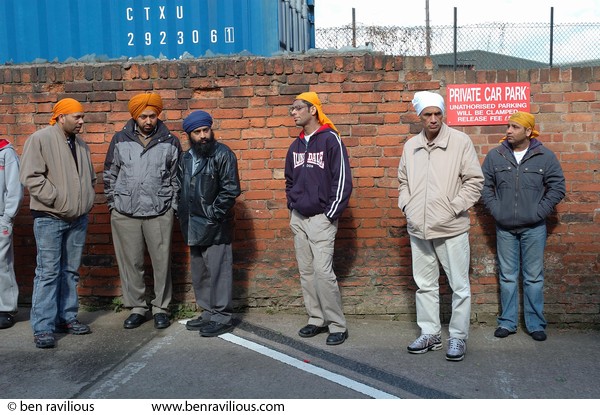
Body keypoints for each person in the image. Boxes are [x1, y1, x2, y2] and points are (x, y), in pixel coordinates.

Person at [398, 91, 484, 361]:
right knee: (424, 285)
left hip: (451, 229)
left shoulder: (460, 142)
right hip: (418, 229)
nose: (433, 119)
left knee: (459, 286)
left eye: (437, 114)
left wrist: (453, 208)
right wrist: (407, 207)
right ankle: (430, 334)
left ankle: (458, 337)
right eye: (427, 115)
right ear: (420, 117)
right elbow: (403, 181)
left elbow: (474, 182)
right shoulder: (411, 146)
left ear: (443, 114)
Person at [482, 112, 565, 342]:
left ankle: (535, 324)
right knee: (507, 277)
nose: (508, 130)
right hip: (505, 227)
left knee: (533, 277)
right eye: (508, 126)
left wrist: (538, 212)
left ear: (528, 131)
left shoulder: (544, 156)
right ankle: (507, 323)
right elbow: (484, 187)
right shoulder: (495, 156)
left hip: (534, 228)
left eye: (514, 127)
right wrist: (497, 211)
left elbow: (557, 187)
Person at [20, 98, 96, 349]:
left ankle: (67, 317)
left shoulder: (81, 145)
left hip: (77, 219)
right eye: (77, 117)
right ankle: (43, 327)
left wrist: (85, 200)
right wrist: (57, 199)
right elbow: (30, 176)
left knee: (70, 271)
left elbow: (90, 178)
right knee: (48, 272)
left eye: (82, 117)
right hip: (49, 218)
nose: (82, 121)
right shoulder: (40, 139)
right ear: (61, 117)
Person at [103, 93, 181, 330]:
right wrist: (113, 204)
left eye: (153, 116)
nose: (148, 121)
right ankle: (137, 307)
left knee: (161, 262)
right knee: (131, 262)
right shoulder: (120, 139)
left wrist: (173, 207)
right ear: (134, 116)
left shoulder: (170, 141)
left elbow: (177, 178)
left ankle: (161, 308)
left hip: (159, 210)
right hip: (125, 211)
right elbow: (110, 173)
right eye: (143, 116)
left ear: (158, 115)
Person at [285, 92, 353, 346]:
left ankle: (337, 324)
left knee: (324, 273)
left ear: (313, 110)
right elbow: (289, 179)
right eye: (291, 109)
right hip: (299, 218)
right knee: (307, 272)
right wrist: (292, 206)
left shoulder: (331, 140)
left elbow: (343, 180)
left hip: (322, 218)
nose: (293, 112)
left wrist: (330, 213)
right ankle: (316, 319)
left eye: (298, 108)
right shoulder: (296, 145)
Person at [177, 110, 241, 337]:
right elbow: (178, 187)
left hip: (215, 225)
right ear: (189, 135)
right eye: (197, 132)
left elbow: (230, 189)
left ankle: (222, 316)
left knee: (219, 271)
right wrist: (181, 213)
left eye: (206, 130)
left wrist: (214, 214)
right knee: (200, 272)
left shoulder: (223, 154)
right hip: (192, 225)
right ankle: (207, 312)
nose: (203, 136)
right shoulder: (185, 158)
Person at [0, 138, 23, 329]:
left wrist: (7, 218)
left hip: (0, 217)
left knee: (2, 264)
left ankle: (5, 309)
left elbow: (14, 187)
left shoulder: (6, 153)